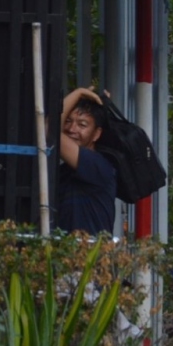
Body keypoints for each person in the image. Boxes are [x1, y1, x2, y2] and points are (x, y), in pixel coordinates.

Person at [57, 86, 117, 235]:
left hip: (89, 255)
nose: (72, 129)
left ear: (97, 134)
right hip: (64, 255)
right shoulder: (64, 170)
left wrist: (78, 92)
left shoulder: (97, 164)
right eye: (68, 121)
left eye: (82, 124)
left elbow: (47, 132)